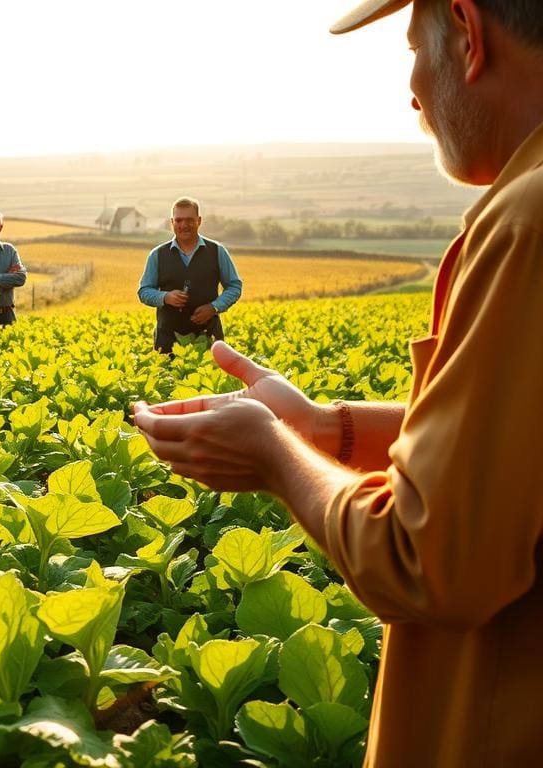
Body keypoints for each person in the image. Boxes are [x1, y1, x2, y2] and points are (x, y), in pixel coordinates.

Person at [134, 1, 543, 765]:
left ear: (466, 31)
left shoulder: (527, 218)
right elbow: (523, 454)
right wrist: (332, 429)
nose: (414, 90)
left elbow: (429, 564)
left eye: (414, 48)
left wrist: (277, 456)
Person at [138, 197, 242, 354]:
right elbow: (144, 291)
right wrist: (165, 297)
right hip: (168, 340)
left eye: (189, 220)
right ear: (171, 222)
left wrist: (214, 307)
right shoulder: (157, 255)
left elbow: (234, 286)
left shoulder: (217, 251)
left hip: (209, 336)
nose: (183, 225)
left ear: (199, 221)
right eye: (178, 220)